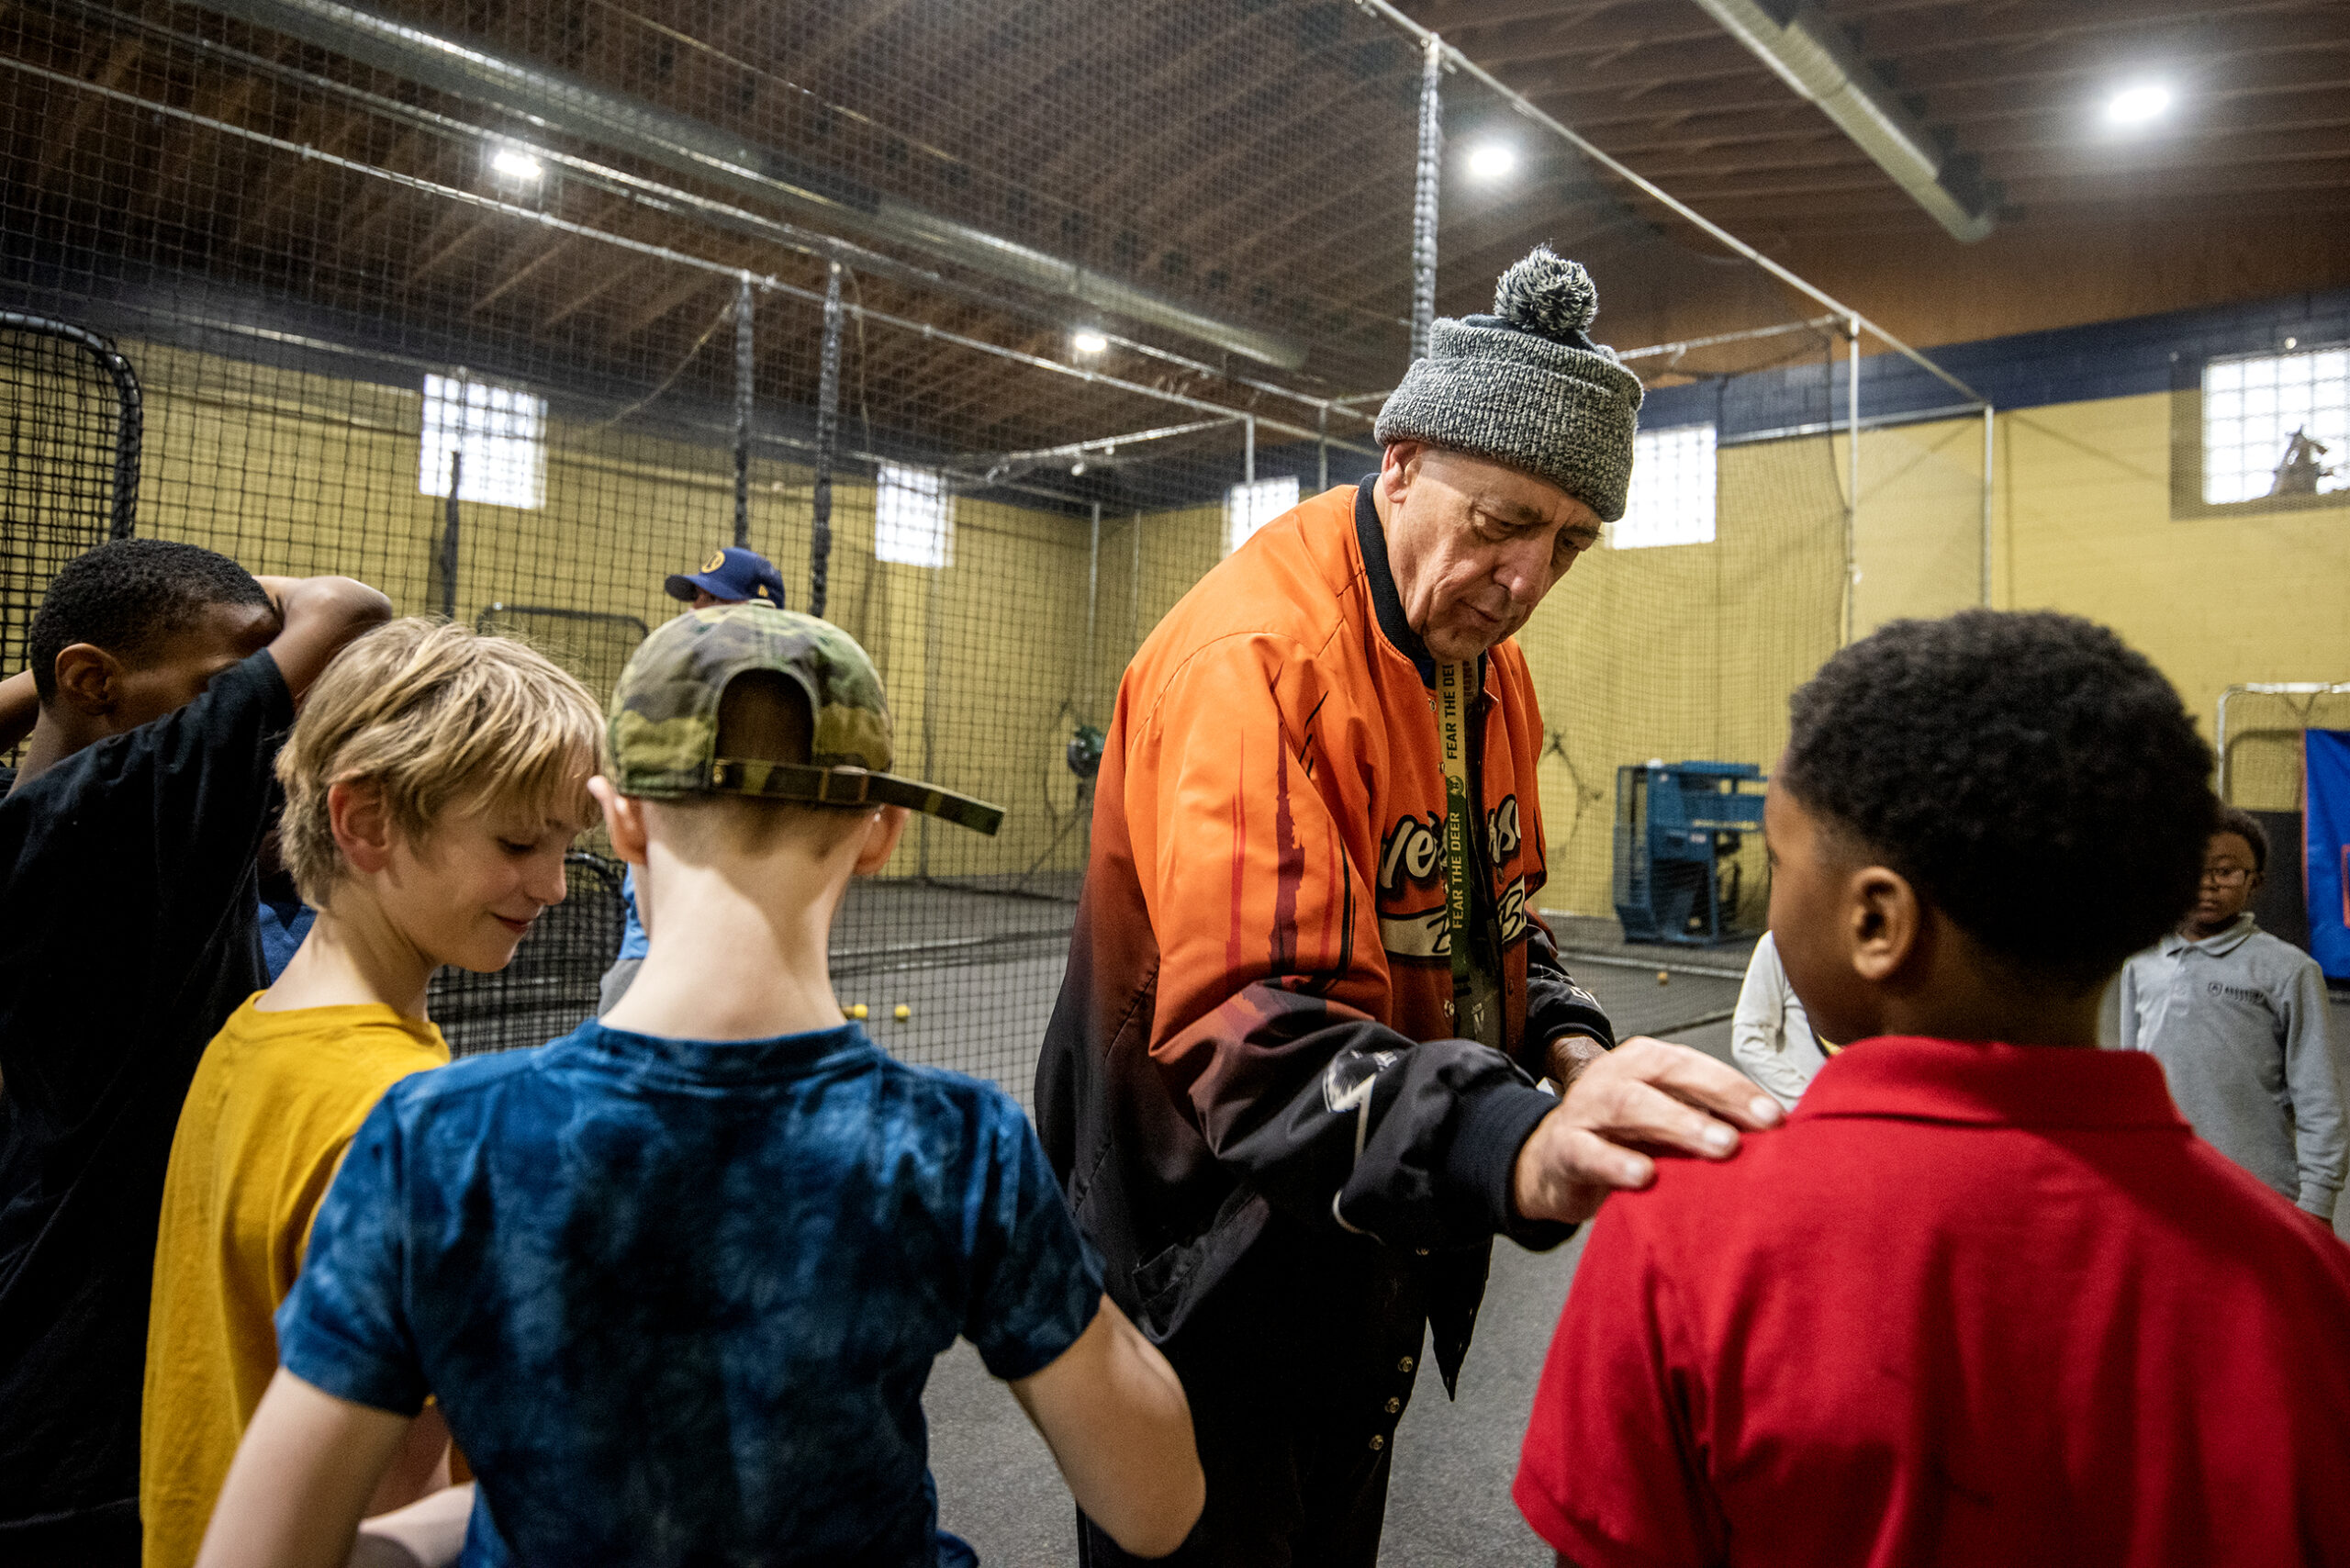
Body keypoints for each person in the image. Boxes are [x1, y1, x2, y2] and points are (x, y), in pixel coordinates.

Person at [1035, 245, 1783, 1565]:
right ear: (1399, 460)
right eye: (1502, 523)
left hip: (1356, 1231)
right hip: (1196, 1255)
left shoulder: (1481, 664)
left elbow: (1495, 924)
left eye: (1569, 541)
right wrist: (1515, 1145)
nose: (1528, 579)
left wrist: (1574, 1048)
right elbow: (1258, 1041)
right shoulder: (1257, 664)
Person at [196, 604, 1205, 1568]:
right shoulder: (955, 1145)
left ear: (621, 818)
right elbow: (1154, 1506)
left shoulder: (436, 1137)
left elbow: (262, 1548)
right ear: (878, 833)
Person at [1515, 610, 2350, 1565]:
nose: (1772, 890)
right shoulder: (2306, 1286)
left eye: (1781, 861)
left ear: (1878, 919)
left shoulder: (1687, 1232)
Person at [140, 620, 605, 1568]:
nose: (554, 885)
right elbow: (395, 1510)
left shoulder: (253, 1034)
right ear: (365, 821)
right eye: (519, 841)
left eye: (564, 843)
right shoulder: (398, 1115)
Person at [0, 540, 390, 1564]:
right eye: (227, 686)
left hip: (51, 1278)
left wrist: (57, 682)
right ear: (97, 684)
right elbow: (351, 604)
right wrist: (271, 599)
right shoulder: (121, 814)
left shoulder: (71, 809)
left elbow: (71, 699)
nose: (263, 711)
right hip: (75, 1373)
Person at [2121, 807, 2344, 1224]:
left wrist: (2317, 1202)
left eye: (2225, 872)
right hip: (2162, 1182)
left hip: (2258, 1190)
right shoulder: (2141, 963)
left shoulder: (2289, 970)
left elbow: (2318, 1099)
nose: (2206, 884)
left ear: (2255, 883)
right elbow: (2128, 1077)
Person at [599, 543, 790, 1014]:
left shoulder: (778, 713)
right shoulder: (676, 692)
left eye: (715, 602)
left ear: (760, 616)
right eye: (696, 599)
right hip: (652, 956)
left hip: (741, 958)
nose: (694, 612)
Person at [1729, 930, 1828, 1109]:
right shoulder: (1779, 943)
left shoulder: (1888, 950)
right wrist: (1810, 1102)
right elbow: (1748, 1042)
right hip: (1807, 1118)